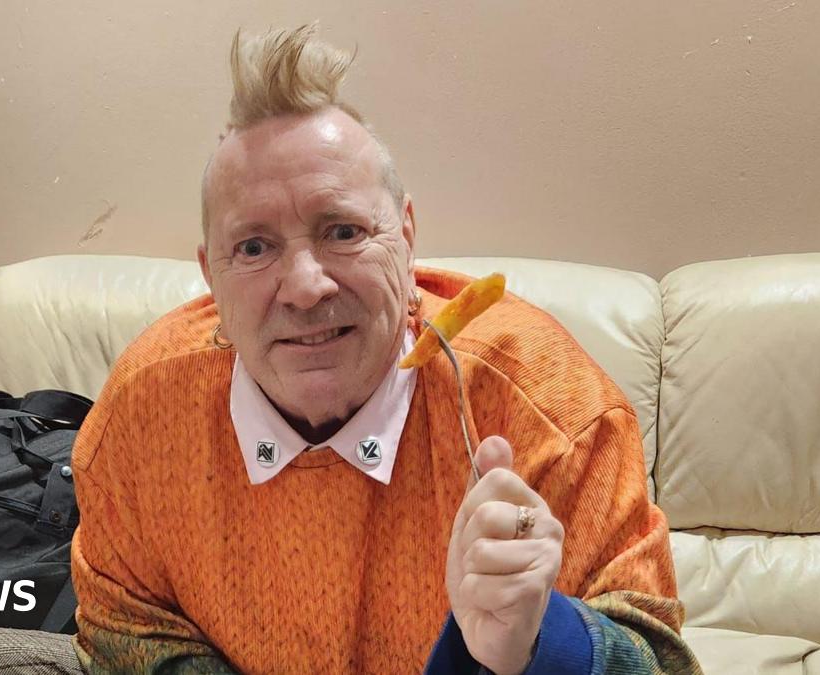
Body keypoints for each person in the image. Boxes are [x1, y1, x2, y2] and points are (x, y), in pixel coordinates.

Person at [66, 24, 702, 675]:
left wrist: (541, 641)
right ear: (210, 272)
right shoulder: (142, 414)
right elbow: (124, 624)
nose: (306, 286)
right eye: (254, 247)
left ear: (406, 235)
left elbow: (664, 662)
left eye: (342, 231)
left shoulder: (549, 409)